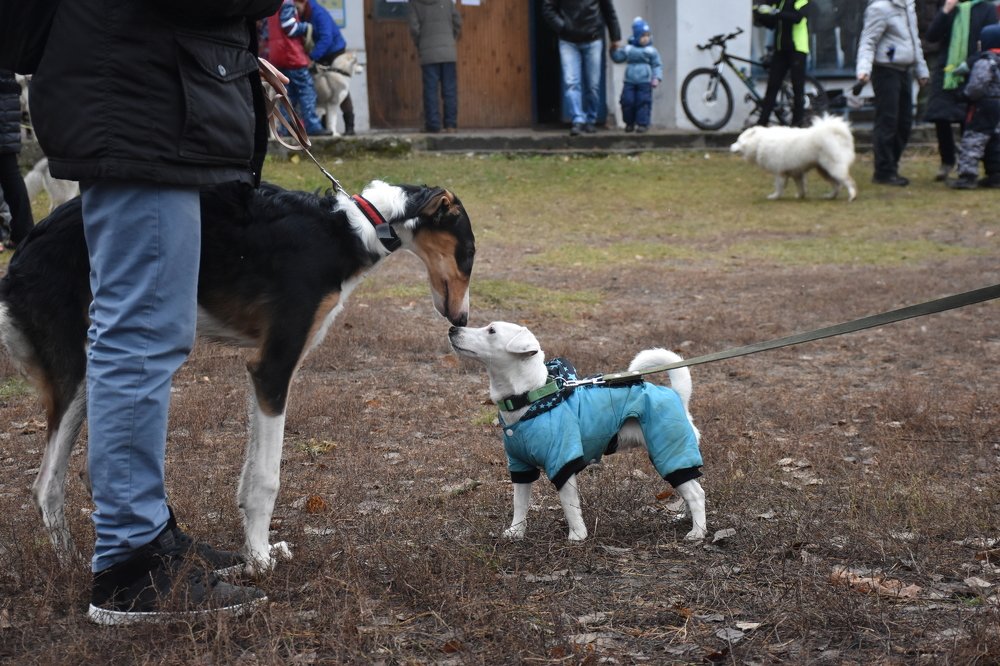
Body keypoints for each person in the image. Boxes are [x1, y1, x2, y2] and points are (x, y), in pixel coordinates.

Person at [29, 0, 281, 624]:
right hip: (139, 101)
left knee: (149, 330)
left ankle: (144, 533)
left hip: (146, 93)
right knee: (140, 334)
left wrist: (237, 60)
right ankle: (128, 563)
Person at [856, 0, 931, 186]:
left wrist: (922, 70)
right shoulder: (879, 8)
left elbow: (915, 42)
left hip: (905, 71)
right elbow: (868, 41)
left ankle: (892, 166)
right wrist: (863, 70)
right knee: (887, 121)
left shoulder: (908, 6)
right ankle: (883, 171)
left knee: (904, 123)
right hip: (885, 71)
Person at [924, 0, 997, 182]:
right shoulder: (950, 7)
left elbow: (989, 42)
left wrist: (970, 63)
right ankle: (947, 160)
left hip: (974, 68)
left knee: (969, 118)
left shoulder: (986, 8)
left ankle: (967, 166)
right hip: (947, 71)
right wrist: (946, 10)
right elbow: (932, 36)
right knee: (940, 115)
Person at [541, 0, 622, 136]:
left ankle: (591, 120)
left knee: (593, 85)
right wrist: (563, 27)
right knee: (571, 82)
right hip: (568, 42)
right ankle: (577, 119)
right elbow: (548, 9)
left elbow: (609, 10)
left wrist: (615, 37)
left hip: (593, 39)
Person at [261, 0, 331, 137]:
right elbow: (290, 27)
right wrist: (306, 27)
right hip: (292, 55)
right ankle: (313, 125)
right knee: (307, 91)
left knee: (288, 95)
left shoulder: (271, 5)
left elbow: (266, 33)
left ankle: (288, 128)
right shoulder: (287, 3)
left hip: (278, 54)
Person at [950, 23, 1000, 188]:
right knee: (996, 140)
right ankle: (996, 174)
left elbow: (977, 86)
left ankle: (967, 176)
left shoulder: (985, 62)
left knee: (974, 139)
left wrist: (964, 95)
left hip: (984, 106)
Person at [294, 0, 355, 135]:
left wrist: (312, 57)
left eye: (297, 7)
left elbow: (326, 38)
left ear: (303, 2)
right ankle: (326, 128)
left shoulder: (318, 13)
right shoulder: (304, 14)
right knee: (323, 90)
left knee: (339, 89)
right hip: (321, 53)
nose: (296, 11)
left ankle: (350, 126)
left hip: (335, 52)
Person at [752, 0, 814, 127]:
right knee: (772, 86)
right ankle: (762, 123)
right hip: (781, 49)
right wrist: (760, 15)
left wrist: (775, 12)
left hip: (797, 48)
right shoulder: (780, 2)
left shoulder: (802, 1)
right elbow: (773, 23)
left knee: (797, 87)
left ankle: (797, 124)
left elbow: (797, 17)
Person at [408, 0, 462, 134]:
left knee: (430, 90)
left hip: (428, 53)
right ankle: (451, 125)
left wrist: (420, 44)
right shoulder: (448, 2)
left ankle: (433, 125)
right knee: (449, 90)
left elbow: (414, 28)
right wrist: (450, 38)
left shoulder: (415, 3)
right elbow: (458, 22)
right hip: (448, 52)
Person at [610, 17, 663, 133]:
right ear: (636, 36)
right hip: (630, 80)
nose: (645, 38)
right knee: (627, 101)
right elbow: (619, 58)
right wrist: (613, 51)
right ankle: (629, 123)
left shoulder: (651, 51)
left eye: (647, 35)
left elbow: (657, 65)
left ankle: (643, 124)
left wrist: (656, 77)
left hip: (645, 81)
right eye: (642, 36)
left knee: (643, 102)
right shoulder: (628, 49)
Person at [0, 69, 33, 250]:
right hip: (8, 104)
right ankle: (24, 232)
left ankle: (21, 232)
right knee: (10, 174)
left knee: (9, 174)